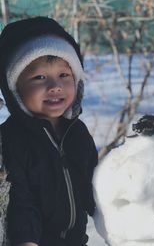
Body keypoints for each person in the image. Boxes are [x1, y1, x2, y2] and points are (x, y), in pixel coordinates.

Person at [0, 17, 98, 246]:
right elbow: (19, 198)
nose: (55, 86)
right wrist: (27, 239)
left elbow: (94, 181)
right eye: (39, 77)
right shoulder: (10, 139)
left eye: (64, 75)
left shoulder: (77, 132)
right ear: (15, 88)